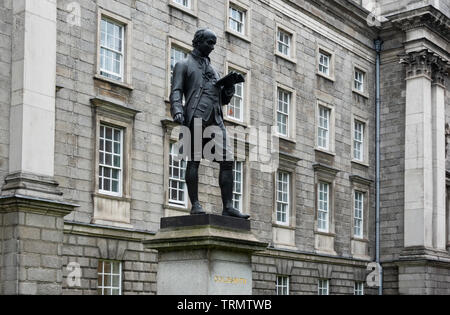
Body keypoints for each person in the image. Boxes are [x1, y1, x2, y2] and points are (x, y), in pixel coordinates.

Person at [170, 28, 250, 220]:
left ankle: (228, 206)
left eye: (214, 43)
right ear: (197, 42)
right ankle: (195, 204)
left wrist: (229, 88)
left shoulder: (213, 69)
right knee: (194, 160)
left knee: (228, 160)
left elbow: (221, 98)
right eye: (209, 43)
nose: (212, 47)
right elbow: (176, 90)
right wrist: (178, 110)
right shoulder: (184, 64)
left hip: (216, 118)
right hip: (196, 116)